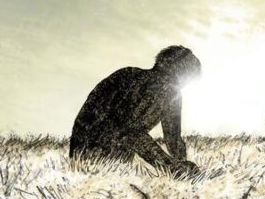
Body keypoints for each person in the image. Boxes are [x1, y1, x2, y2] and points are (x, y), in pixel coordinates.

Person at [70, 45, 202, 177]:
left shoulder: (169, 92)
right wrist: (172, 167)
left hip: (96, 157)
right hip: (92, 154)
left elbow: (174, 139)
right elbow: (131, 132)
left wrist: (182, 163)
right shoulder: (137, 79)